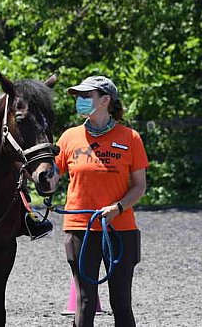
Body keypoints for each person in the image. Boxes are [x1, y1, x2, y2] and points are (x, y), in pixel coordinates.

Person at [54, 76, 149, 327]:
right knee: (84, 300)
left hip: (121, 229)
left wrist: (117, 207)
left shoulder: (131, 138)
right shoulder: (68, 137)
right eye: (78, 96)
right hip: (79, 228)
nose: (80, 101)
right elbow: (51, 178)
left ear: (105, 100)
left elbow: (140, 186)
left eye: (86, 96)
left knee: (121, 301)